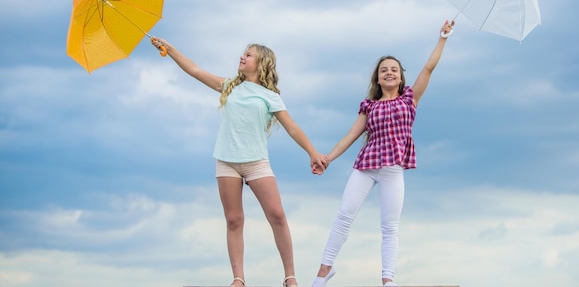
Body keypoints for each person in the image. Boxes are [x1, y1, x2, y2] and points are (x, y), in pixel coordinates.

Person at [151, 38, 328, 287]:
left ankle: (290, 277)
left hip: (256, 162)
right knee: (234, 220)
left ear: (262, 64)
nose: (242, 57)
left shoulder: (269, 96)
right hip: (227, 162)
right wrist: (169, 50)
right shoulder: (229, 86)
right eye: (243, 54)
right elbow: (194, 70)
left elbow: (293, 128)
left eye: (248, 55)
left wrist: (312, 152)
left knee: (277, 215)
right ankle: (239, 279)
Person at [310, 20, 455, 287]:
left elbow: (429, 68)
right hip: (366, 166)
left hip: (393, 170)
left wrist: (443, 38)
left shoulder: (409, 98)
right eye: (384, 70)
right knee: (344, 215)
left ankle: (388, 280)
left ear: (401, 77)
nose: (389, 73)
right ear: (378, 78)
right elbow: (351, 136)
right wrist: (327, 158)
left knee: (389, 226)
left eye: (394, 70)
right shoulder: (369, 105)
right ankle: (323, 272)